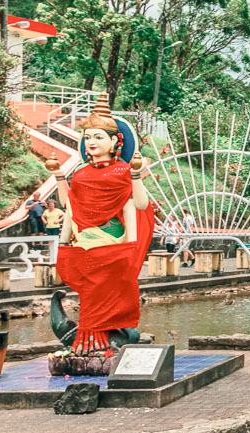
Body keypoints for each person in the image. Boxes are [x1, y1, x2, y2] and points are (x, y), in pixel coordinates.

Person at [45, 93, 155, 353]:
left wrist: (135, 176)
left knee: (109, 293)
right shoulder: (80, 173)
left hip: (114, 242)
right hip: (84, 242)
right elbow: (70, 205)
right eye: (88, 137)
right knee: (89, 293)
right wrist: (59, 176)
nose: (91, 142)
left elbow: (137, 205)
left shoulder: (123, 171)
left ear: (115, 141)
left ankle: (100, 340)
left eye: (98, 137)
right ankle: (89, 340)